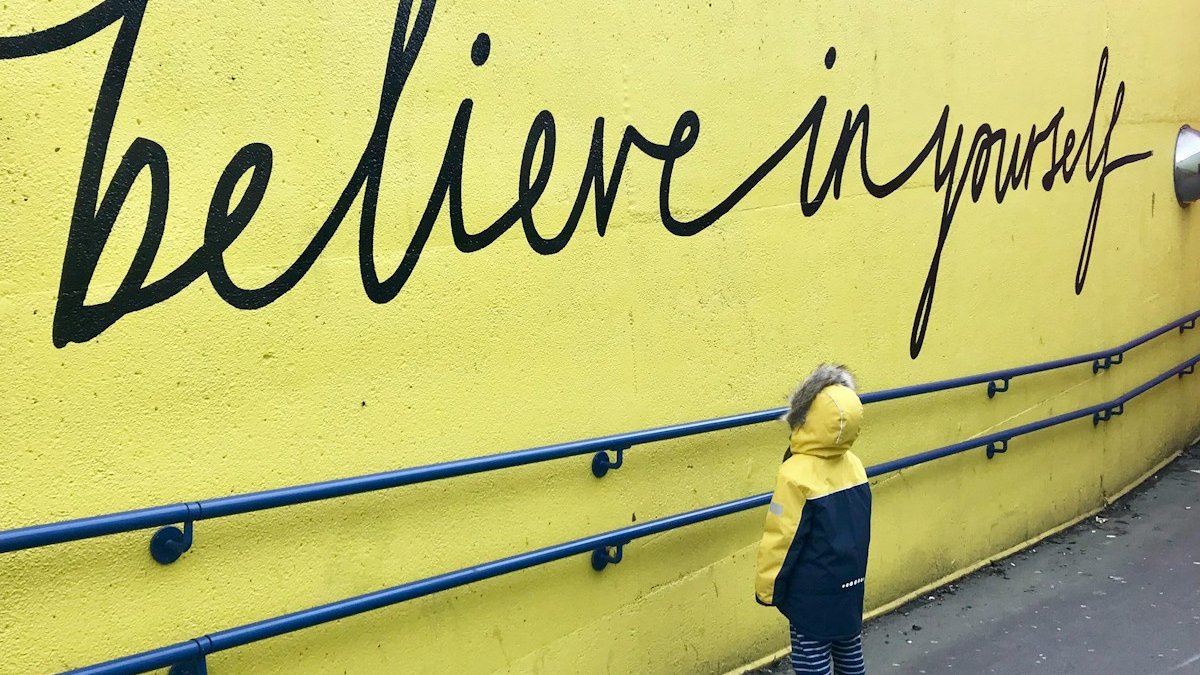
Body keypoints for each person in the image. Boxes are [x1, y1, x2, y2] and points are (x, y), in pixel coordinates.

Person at [755, 364, 872, 675]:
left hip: (811, 594)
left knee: (812, 658)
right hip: (849, 587)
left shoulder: (795, 474)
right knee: (850, 652)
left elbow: (782, 537)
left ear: (804, 418)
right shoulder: (855, 466)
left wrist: (768, 589)